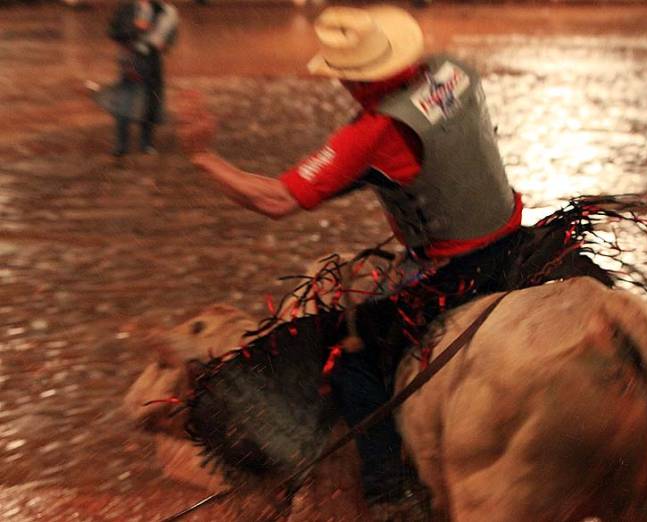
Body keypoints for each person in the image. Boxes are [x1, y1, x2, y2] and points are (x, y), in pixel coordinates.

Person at [177, 4, 616, 507]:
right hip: (519, 241)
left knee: (350, 355)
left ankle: (389, 492)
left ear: (350, 78)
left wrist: (204, 157)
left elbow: (275, 199)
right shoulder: (453, 72)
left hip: (459, 270)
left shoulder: (373, 134)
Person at [106, 0, 178, 156]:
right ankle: (121, 145)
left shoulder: (164, 11)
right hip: (131, 59)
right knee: (125, 102)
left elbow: (171, 36)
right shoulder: (127, 9)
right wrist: (135, 28)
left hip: (153, 61)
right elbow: (114, 32)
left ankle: (146, 144)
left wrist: (165, 45)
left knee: (150, 102)